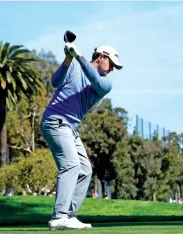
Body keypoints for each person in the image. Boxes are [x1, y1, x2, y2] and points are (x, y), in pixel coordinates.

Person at [40, 41, 123, 230]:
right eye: (111, 65)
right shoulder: (74, 67)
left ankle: (69, 215)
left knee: (85, 170)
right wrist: (68, 59)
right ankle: (59, 216)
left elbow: (93, 77)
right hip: (55, 121)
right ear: (101, 57)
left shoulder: (104, 84)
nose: (112, 70)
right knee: (71, 165)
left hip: (70, 129)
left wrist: (77, 56)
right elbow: (55, 82)